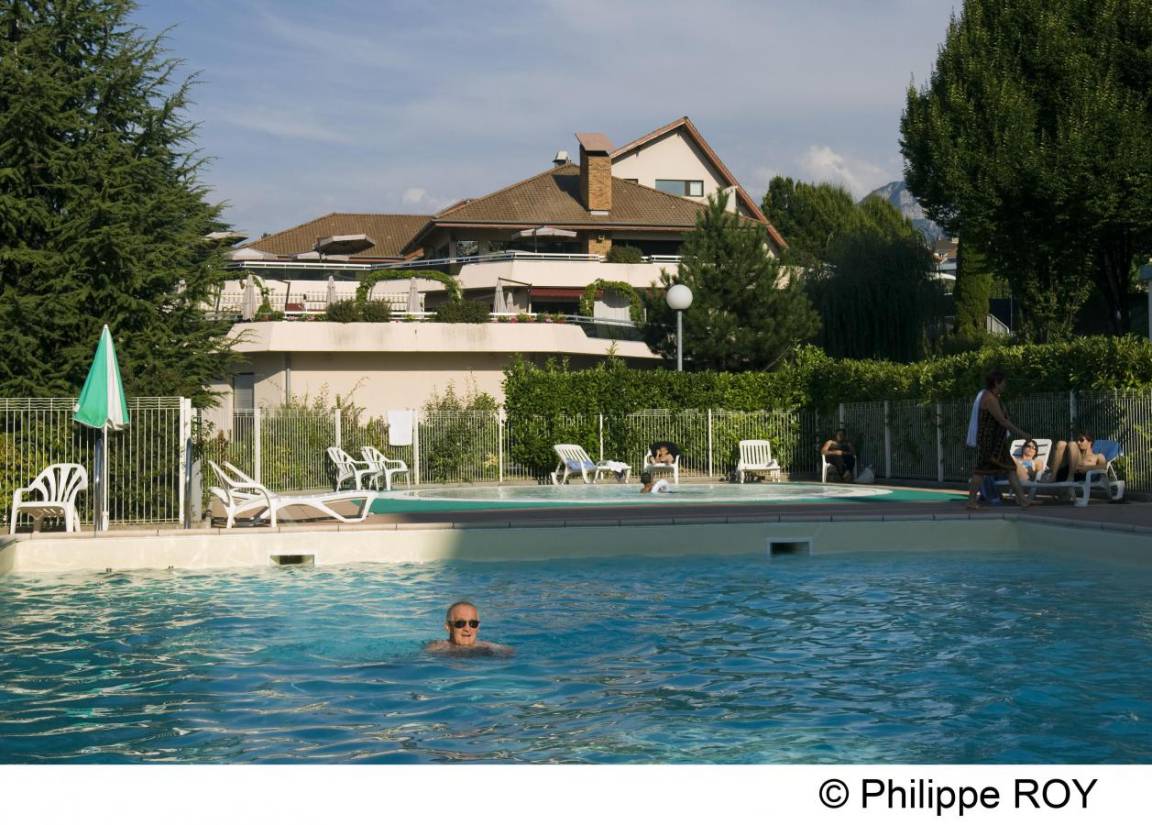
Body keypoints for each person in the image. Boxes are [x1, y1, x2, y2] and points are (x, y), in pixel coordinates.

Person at [965, 370, 1031, 510]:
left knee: (1010, 469)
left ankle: (1023, 500)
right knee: (981, 471)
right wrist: (1022, 434)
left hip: (998, 443)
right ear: (996, 383)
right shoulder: (989, 398)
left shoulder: (993, 397)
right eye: (1004, 382)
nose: (1005, 385)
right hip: (990, 444)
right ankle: (971, 501)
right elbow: (1002, 421)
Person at [425, 600, 513, 655]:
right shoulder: (437, 649)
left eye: (473, 623)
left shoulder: (490, 648)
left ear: (478, 627)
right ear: (448, 627)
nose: (467, 629)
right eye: (460, 623)